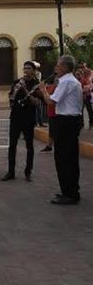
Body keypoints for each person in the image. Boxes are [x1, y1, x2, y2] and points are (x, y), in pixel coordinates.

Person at [39, 55, 83, 205]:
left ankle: (69, 194)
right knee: (69, 158)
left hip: (66, 122)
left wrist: (43, 90)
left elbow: (50, 101)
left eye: (58, 65)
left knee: (64, 158)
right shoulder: (70, 81)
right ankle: (70, 190)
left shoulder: (66, 81)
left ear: (64, 67)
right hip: (71, 121)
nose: (56, 68)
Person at [1, 61, 40, 182]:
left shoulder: (37, 84)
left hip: (28, 118)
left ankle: (28, 171)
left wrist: (25, 90)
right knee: (12, 145)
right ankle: (10, 172)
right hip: (16, 117)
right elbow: (11, 98)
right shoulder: (17, 82)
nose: (26, 70)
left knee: (29, 146)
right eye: (25, 68)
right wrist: (15, 93)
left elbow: (36, 102)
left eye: (29, 68)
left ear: (33, 71)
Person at [40, 74, 58, 153]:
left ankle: (50, 145)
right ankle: (49, 145)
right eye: (56, 79)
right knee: (52, 130)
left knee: (54, 130)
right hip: (51, 112)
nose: (57, 80)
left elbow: (50, 97)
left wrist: (44, 90)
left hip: (56, 112)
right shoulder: (52, 86)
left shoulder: (58, 88)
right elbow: (45, 94)